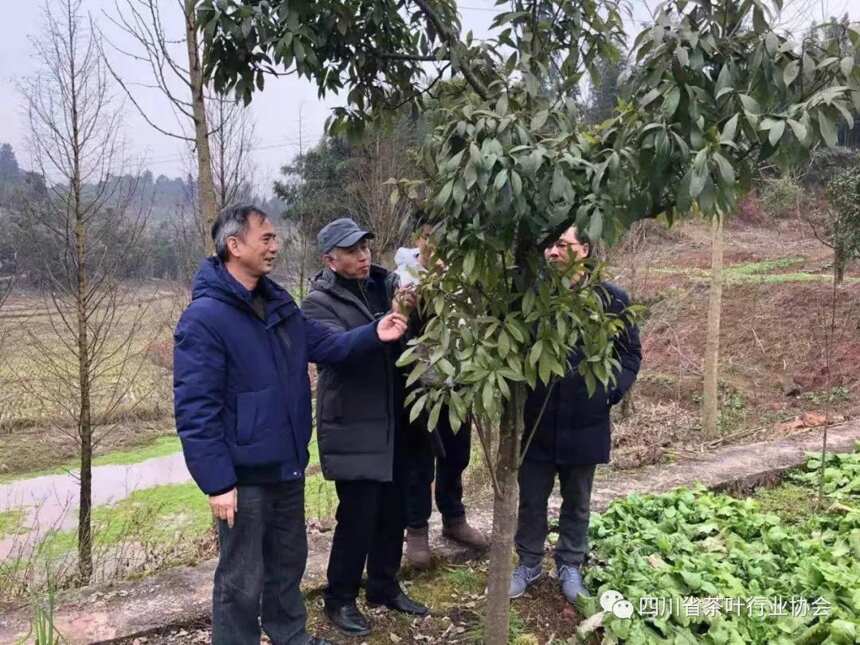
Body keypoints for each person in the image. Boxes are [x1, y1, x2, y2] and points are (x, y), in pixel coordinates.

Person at [173, 205, 409, 645]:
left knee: (287, 562)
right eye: (265, 238)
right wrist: (217, 481)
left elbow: (326, 344)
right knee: (241, 578)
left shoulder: (278, 304)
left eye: (275, 237)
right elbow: (194, 409)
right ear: (234, 245)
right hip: (242, 476)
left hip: (287, 463)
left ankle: (289, 635)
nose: (275, 246)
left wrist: (375, 332)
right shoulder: (205, 318)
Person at [302, 217, 429, 638]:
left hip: (397, 420)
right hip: (355, 425)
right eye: (351, 250)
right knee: (358, 517)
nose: (362, 255)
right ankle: (339, 598)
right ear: (329, 259)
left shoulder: (387, 284)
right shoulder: (317, 303)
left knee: (394, 510)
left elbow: (419, 321)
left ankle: (384, 586)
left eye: (365, 247)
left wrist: (419, 293)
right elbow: (337, 350)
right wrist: (378, 329)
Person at [509, 225, 642, 604]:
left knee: (578, 499)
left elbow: (630, 354)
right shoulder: (532, 296)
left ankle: (570, 564)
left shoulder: (612, 300)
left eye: (562, 245)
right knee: (531, 498)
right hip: (537, 419)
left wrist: (608, 392)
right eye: (548, 244)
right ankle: (529, 562)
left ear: (583, 250)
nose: (552, 252)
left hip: (586, 420)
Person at [403, 227, 488, 569]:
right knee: (419, 463)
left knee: (456, 456)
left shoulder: (465, 279)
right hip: (420, 388)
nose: (439, 247)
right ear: (420, 239)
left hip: (459, 386)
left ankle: (454, 519)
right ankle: (417, 529)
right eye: (431, 238)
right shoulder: (405, 279)